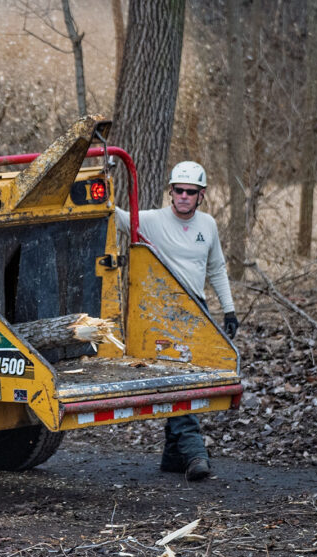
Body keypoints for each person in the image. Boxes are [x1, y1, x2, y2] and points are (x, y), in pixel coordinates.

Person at [115, 161, 238, 482]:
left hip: (196, 311)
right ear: (171, 192)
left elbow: (216, 269)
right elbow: (118, 218)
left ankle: (173, 455)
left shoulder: (208, 225)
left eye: (191, 192)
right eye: (179, 191)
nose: (183, 197)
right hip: (163, 312)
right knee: (183, 383)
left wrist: (229, 310)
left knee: (186, 381)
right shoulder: (152, 220)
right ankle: (195, 451)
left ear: (201, 196)